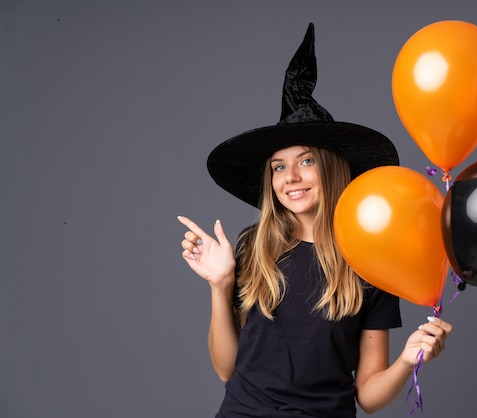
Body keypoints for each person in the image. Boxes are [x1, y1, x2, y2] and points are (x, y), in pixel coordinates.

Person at [178, 23, 452, 417]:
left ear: (331, 168)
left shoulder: (370, 259)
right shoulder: (253, 246)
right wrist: (220, 286)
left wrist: (408, 359)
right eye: (278, 167)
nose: (290, 177)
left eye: (306, 161)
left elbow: (369, 396)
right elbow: (227, 370)